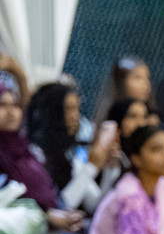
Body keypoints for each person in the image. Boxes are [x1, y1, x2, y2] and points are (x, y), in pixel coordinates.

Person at [0, 71, 83, 234]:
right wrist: (46, 217)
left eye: (16, 105)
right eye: (2, 105)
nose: (11, 112)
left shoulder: (27, 150)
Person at [27, 81, 123, 215]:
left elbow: (95, 206)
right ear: (51, 112)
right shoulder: (34, 154)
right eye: (68, 109)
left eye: (77, 108)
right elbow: (59, 207)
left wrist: (109, 168)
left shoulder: (70, 155)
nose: (76, 116)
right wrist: (92, 165)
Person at [93, 56, 151, 123]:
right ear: (120, 81)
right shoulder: (106, 122)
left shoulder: (154, 119)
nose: (146, 84)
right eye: (137, 77)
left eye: (147, 78)